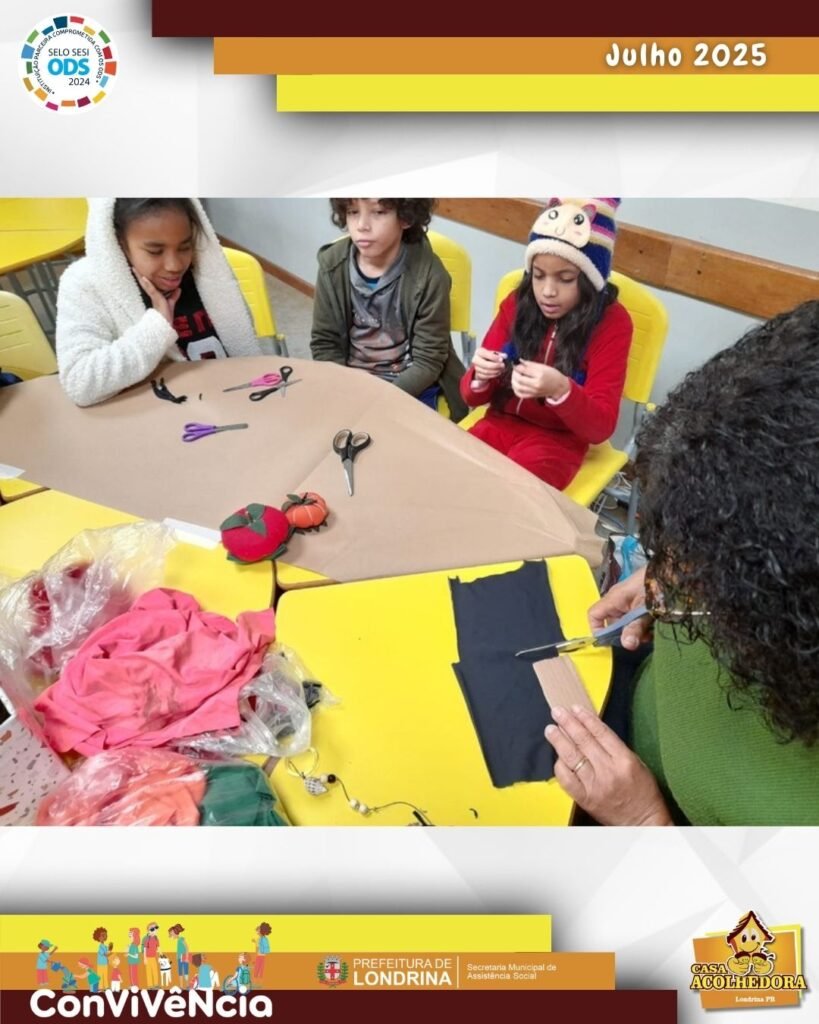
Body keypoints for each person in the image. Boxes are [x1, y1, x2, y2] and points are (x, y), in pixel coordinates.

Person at [544, 300, 819, 825]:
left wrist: (645, 822)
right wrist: (672, 569)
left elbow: (739, 891)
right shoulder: (769, 549)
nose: (677, 577)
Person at [460, 198, 632, 490]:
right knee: (451, 471)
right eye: (538, 276)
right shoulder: (517, 303)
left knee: (514, 492)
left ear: (591, 279)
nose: (547, 291)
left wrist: (561, 389)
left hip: (558, 442)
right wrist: (480, 376)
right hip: (498, 423)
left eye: (565, 279)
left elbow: (600, 426)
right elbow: (470, 396)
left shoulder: (613, 323)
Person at [56, 198, 262, 407]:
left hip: (232, 400)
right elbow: (79, 383)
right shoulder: (85, 283)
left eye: (184, 247)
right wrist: (157, 326)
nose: (175, 265)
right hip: (159, 413)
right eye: (155, 251)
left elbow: (241, 339)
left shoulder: (208, 269)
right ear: (119, 242)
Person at [310, 198, 468, 420]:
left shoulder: (430, 276)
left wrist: (381, 401)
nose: (362, 225)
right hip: (349, 382)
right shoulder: (332, 266)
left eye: (378, 212)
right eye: (353, 212)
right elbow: (325, 343)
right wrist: (347, 388)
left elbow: (428, 360)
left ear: (405, 217)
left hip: (409, 386)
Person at [168, 923, 189, 989]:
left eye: (172, 934)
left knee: (185, 972)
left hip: (184, 957)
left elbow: (187, 947)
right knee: (180, 972)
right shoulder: (178, 940)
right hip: (179, 958)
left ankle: (187, 985)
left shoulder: (181, 939)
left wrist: (187, 956)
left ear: (175, 932)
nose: (171, 935)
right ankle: (181, 986)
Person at [142, 922, 162, 990]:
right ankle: (150, 985)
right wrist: (144, 958)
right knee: (149, 972)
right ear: (148, 931)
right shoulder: (147, 939)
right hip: (148, 958)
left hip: (153, 958)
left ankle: (156, 984)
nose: (154, 931)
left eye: (156, 929)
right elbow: (145, 949)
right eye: (152, 929)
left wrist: (161, 955)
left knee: (155, 971)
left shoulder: (156, 939)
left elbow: (158, 948)